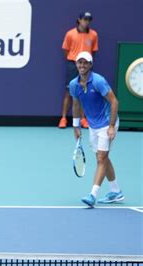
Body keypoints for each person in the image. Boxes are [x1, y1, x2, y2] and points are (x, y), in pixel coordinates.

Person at [70, 51, 124, 207]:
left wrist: (112, 127)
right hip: (93, 126)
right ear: (76, 64)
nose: (82, 65)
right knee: (102, 158)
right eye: (79, 62)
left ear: (90, 65)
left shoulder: (99, 81)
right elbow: (76, 104)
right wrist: (76, 125)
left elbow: (114, 102)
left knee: (101, 159)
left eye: (85, 63)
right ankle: (116, 191)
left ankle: (92, 195)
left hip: (107, 124)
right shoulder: (74, 84)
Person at [59, 11, 98, 129]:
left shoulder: (94, 35)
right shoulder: (70, 34)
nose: (87, 22)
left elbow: (94, 51)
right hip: (73, 64)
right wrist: (75, 60)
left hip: (86, 66)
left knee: (85, 92)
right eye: (85, 19)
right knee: (69, 91)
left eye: (89, 20)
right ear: (79, 20)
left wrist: (86, 64)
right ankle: (64, 118)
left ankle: (83, 119)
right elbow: (66, 50)